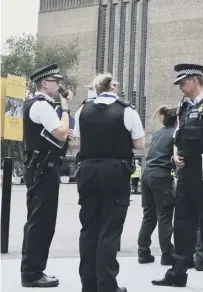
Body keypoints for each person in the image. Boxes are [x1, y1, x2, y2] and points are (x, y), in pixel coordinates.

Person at [152, 64, 203, 292]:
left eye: (183, 82)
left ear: (195, 80)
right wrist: (176, 157)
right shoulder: (183, 107)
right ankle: (177, 274)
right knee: (183, 225)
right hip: (186, 173)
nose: (180, 87)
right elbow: (178, 136)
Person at [72, 73, 145, 292]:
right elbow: (140, 145)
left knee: (89, 229)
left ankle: (88, 284)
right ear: (114, 88)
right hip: (115, 172)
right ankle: (107, 285)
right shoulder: (126, 110)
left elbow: (77, 143)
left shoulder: (82, 109)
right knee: (109, 230)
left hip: (86, 171)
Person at [20, 64, 73, 288]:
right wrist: (66, 108)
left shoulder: (40, 105)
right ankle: (32, 273)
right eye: (56, 82)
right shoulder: (41, 105)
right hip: (42, 169)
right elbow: (61, 133)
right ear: (45, 83)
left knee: (39, 221)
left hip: (42, 168)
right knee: (41, 222)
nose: (59, 86)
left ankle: (33, 270)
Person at [137, 106, 177, 265]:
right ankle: (167, 255)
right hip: (161, 176)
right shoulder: (176, 134)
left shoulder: (158, 133)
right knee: (165, 217)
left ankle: (143, 252)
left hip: (147, 174)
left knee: (149, 215)